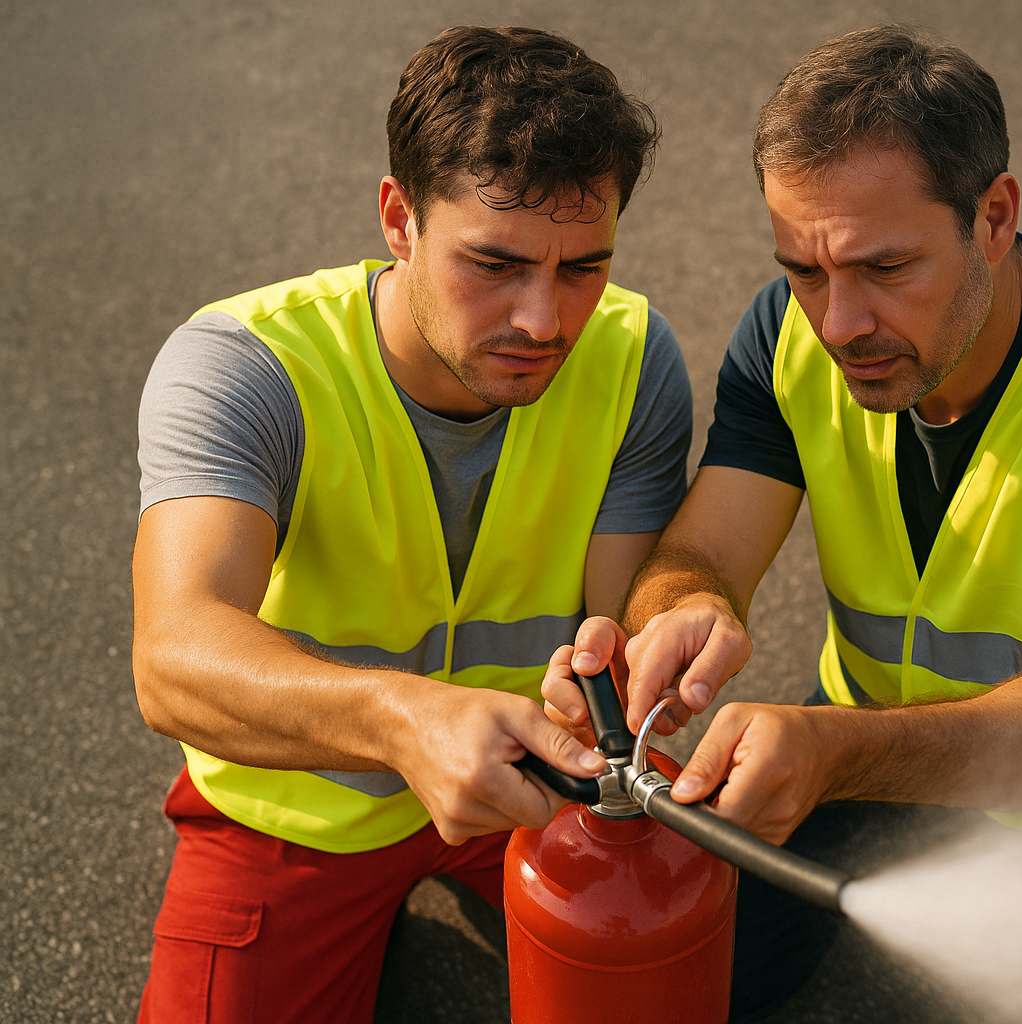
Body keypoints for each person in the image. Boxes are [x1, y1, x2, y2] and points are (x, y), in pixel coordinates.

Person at [542, 24, 1022, 1021]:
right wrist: (680, 609)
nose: (839, 325)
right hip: (873, 765)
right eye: (806, 269)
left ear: (995, 216)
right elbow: (702, 551)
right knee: (673, 975)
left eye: (885, 267)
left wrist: (834, 749)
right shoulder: (787, 332)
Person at [131, 26, 687, 1023]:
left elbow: (621, 619)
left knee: (716, 955)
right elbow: (174, 658)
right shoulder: (242, 367)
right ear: (399, 217)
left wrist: (632, 652)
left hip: (531, 770)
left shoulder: (636, 355)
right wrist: (405, 721)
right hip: (300, 809)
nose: (544, 320)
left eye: (582, 268)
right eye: (495, 263)